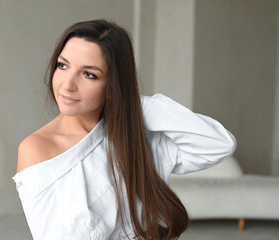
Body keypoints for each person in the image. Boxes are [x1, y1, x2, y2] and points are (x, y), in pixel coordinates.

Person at [12, 19, 237, 240]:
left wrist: (131, 102)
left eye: (89, 74)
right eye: (63, 65)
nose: (67, 85)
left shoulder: (138, 137)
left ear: (113, 84)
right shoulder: (38, 149)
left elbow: (219, 144)